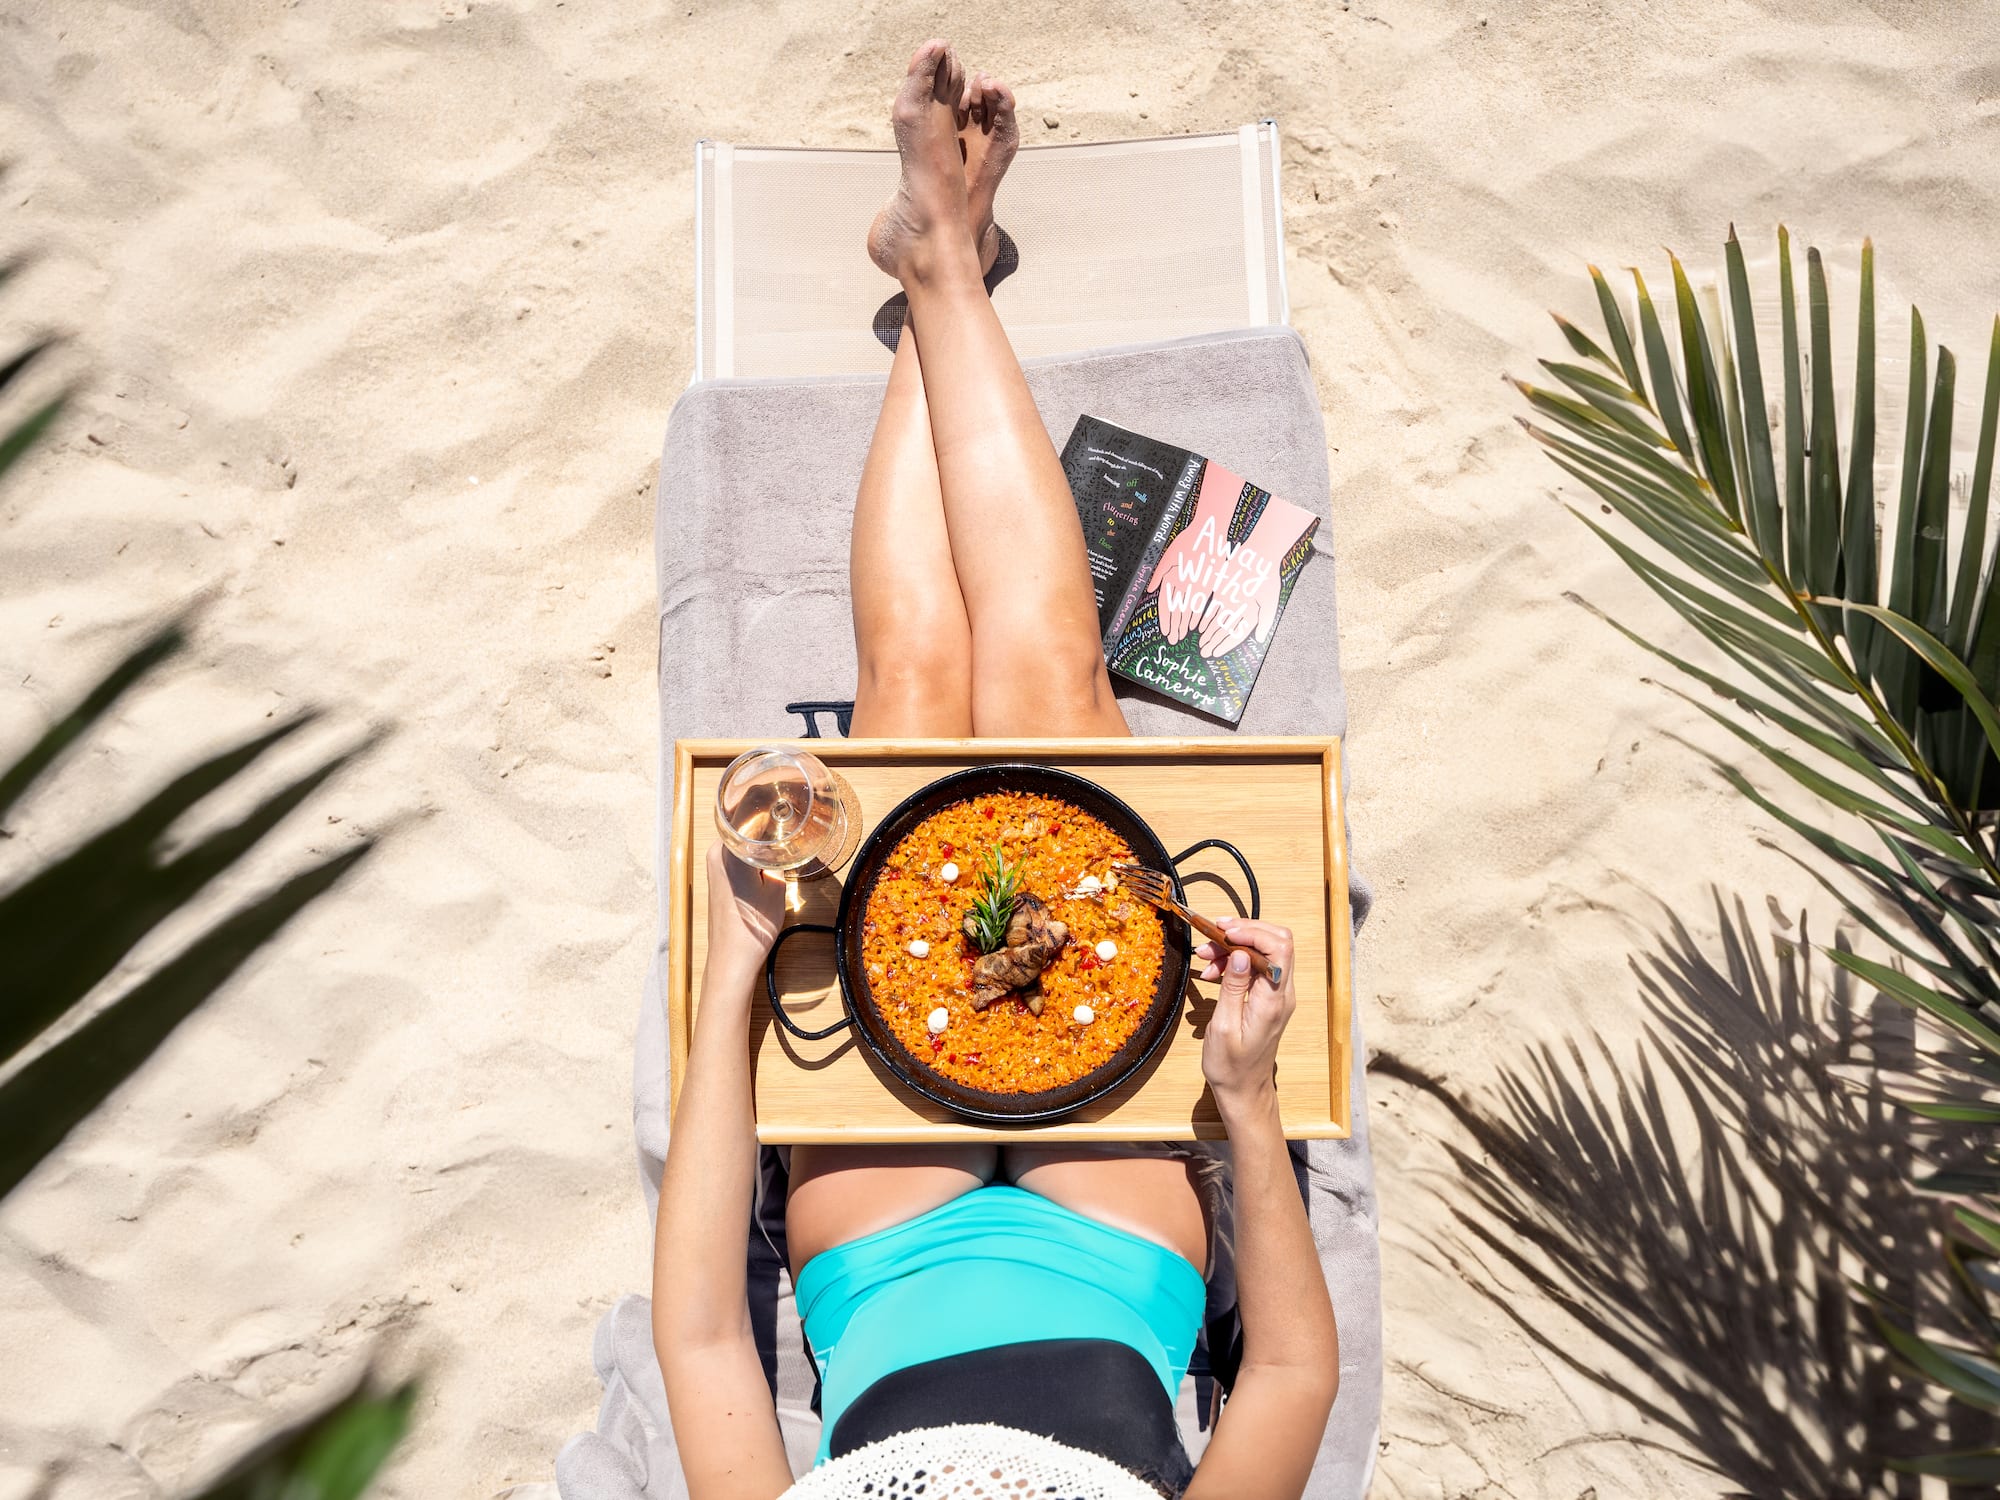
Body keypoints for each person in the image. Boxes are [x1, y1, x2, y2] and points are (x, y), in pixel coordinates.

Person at [650, 41, 1339, 1499]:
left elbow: (710, 1345)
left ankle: (940, 272)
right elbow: (1287, 1375)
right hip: (1125, 1245)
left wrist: (729, 981)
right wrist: (1246, 1098)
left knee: (910, 710)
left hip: (882, 1252)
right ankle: (943, 267)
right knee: (1056, 697)